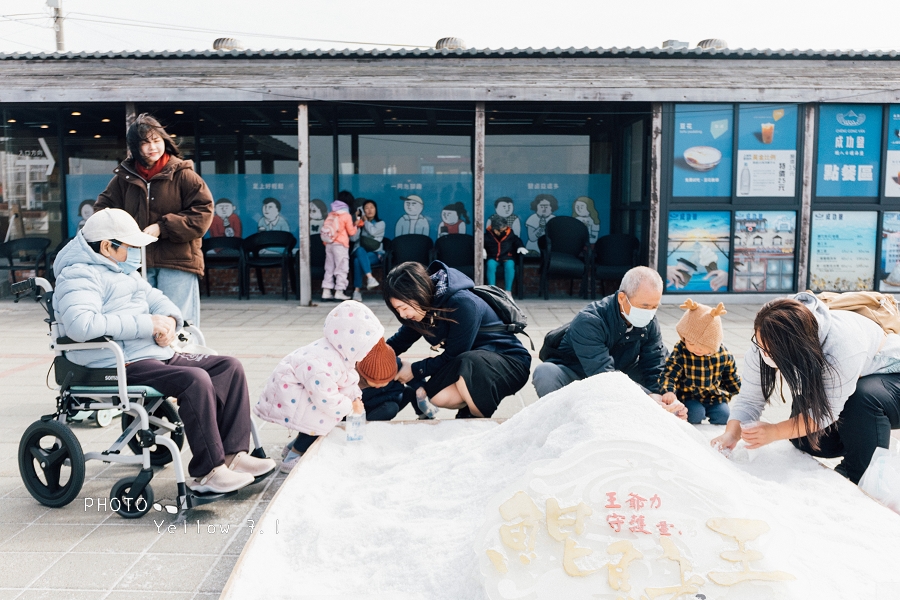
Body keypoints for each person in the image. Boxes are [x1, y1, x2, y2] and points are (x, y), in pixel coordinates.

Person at [53, 208, 274, 494]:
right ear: (108, 247)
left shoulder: (124, 271)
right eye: (130, 247)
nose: (136, 254)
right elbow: (81, 325)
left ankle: (234, 455)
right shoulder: (79, 275)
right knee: (195, 380)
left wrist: (169, 321)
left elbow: (159, 301)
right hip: (115, 363)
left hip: (152, 354)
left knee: (228, 366)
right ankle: (209, 472)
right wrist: (146, 324)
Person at [712, 294, 900, 484]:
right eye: (761, 347)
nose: (764, 354)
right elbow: (750, 398)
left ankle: (863, 474)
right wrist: (731, 433)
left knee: (862, 397)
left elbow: (826, 414)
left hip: (891, 378)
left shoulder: (842, 346)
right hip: (852, 381)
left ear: (797, 347)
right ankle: (856, 448)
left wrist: (775, 431)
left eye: (771, 351)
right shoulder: (765, 339)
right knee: (807, 440)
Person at [93, 113, 213, 327]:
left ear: (165, 141)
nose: (152, 147)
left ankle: (183, 359)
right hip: (135, 264)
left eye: (156, 140)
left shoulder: (184, 175)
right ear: (135, 147)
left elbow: (202, 214)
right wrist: (123, 233)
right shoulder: (124, 178)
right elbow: (102, 211)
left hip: (178, 262)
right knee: (143, 324)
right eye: (145, 143)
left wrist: (162, 227)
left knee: (179, 324)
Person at [254, 301, 397, 472]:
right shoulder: (322, 364)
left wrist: (355, 397)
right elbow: (326, 398)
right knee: (321, 416)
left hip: (301, 389)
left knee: (323, 413)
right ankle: (293, 457)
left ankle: (293, 447)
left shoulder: (340, 353)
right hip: (288, 393)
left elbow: (348, 378)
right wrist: (349, 406)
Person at [383, 261, 532, 419]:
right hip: (470, 362)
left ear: (419, 293)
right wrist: (369, 358)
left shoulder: (462, 302)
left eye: (404, 308)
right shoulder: (421, 309)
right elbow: (398, 342)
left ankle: (476, 421)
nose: (403, 315)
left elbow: (454, 354)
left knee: (468, 362)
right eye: (397, 310)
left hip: (510, 362)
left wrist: (414, 370)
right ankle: (469, 406)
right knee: (436, 394)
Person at [532, 266, 685, 419]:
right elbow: (602, 373)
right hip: (580, 377)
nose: (649, 312)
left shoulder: (649, 321)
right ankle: (561, 419)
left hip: (622, 374)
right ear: (621, 298)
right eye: (644, 306)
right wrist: (647, 398)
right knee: (546, 373)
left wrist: (664, 398)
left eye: (654, 307)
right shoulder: (589, 321)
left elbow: (655, 362)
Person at [659, 299, 739, 425]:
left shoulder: (723, 355)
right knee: (695, 414)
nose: (697, 348)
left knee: (724, 416)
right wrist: (668, 391)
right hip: (690, 396)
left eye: (704, 345)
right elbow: (670, 373)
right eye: (691, 343)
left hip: (714, 397)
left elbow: (731, 377)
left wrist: (743, 392)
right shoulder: (682, 351)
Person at [320, 199, 358, 301]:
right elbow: (351, 232)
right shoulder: (346, 215)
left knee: (329, 268)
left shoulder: (331, 214)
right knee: (341, 268)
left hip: (329, 244)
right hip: (340, 245)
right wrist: (356, 225)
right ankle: (339, 291)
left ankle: (326, 291)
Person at [350, 199, 385, 302]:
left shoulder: (380, 223)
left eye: (372, 207)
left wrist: (365, 221)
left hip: (375, 253)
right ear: (363, 210)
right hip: (359, 251)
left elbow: (373, 232)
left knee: (357, 261)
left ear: (376, 210)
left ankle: (357, 291)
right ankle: (370, 278)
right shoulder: (359, 222)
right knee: (360, 250)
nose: (369, 210)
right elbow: (353, 239)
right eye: (366, 208)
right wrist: (357, 224)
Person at [484, 213, 527, 296]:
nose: (502, 231)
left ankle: (508, 291)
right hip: (493, 257)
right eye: (499, 230)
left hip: (507, 257)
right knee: (490, 265)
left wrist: (520, 247)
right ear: (494, 229)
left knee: (510, 266)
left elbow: (517, 241)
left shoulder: (510, 234)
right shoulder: (487, 236)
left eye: (504, 229)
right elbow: (481, 243)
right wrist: (482, 250)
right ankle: (492, 290)